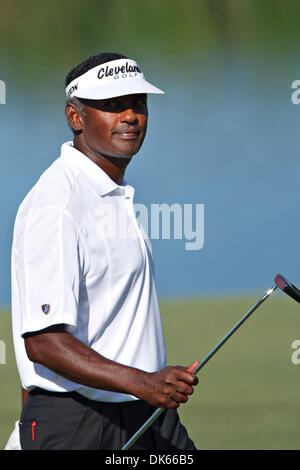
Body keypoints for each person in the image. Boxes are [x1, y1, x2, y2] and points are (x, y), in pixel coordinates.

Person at [9, 52, 198, 450]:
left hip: (145, 414)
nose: (130, 116)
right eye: (112, 106)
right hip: (82, 422)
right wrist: (143, 382)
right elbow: (43, 342)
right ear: (75, 117)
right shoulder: (57, 205)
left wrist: (147, 387)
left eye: (138, 103)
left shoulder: (112, 193)